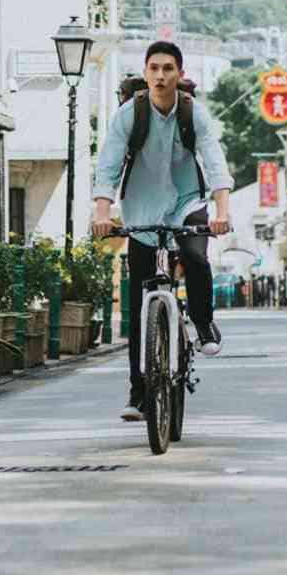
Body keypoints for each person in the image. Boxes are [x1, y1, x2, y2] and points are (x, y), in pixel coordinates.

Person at [92, 40, 233, 421]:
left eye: (168, 68)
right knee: (141, 307)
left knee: (195, 256)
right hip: (141, 208)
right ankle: (139, 394)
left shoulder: (194, 113)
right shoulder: (129, 115)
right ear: (145, 72)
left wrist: (222, 209)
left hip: (188, 203)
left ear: (179, 74)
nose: (160, 75)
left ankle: (203, 322)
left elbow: (214, 160)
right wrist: (103, 211)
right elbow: (107, 164)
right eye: (153, 68)